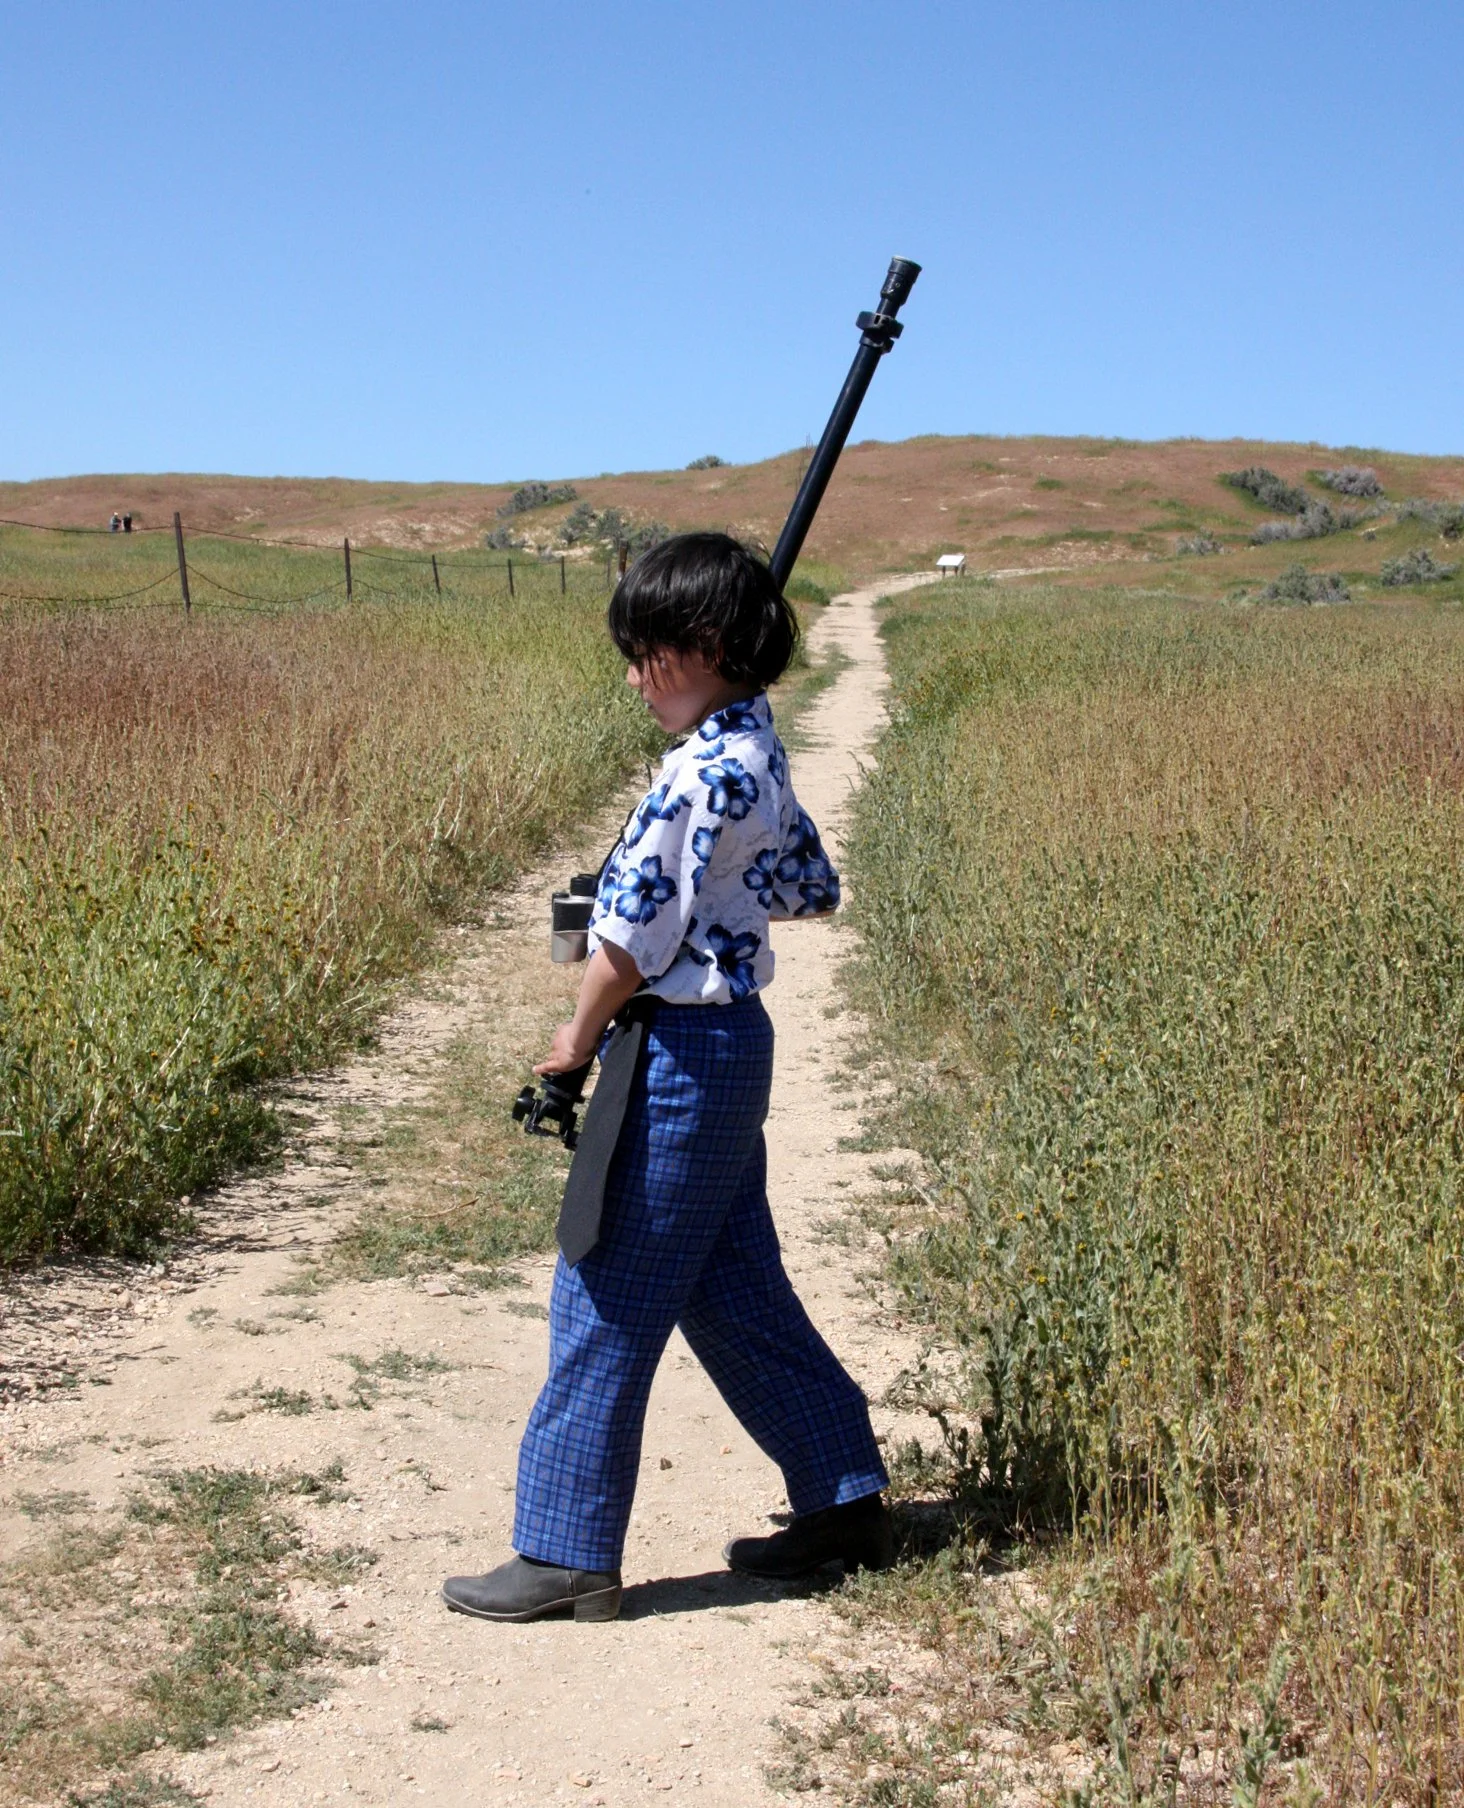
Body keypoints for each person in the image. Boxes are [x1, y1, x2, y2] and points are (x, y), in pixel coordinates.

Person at [441, 533, 892, 1625]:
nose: (635, 673)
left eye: (646, 650)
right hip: (732, 1044)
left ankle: (564, 1552)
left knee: (602, 1287)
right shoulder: (753, 750)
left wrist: (574, 1041)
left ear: (701, 646)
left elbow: (629, 942)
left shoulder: (697, 774)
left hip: (678, 1053)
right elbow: (811, 885)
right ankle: (845, 1497)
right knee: (730, 1284)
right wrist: (718, 889)